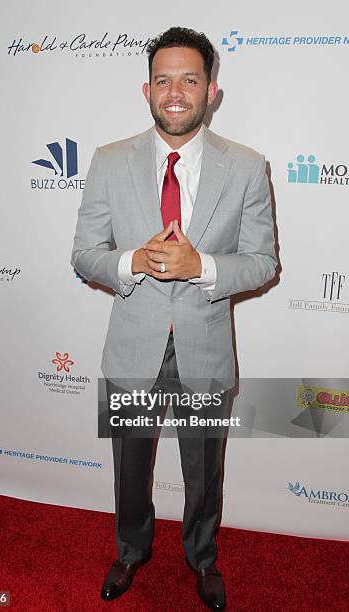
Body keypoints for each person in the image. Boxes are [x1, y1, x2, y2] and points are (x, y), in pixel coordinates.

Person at [70, 26, 276, 610]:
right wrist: (134, 259)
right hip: (132, 345)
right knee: (130, 468)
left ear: (212, 90)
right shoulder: (110, 161)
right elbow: (84, 254)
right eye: (164, 80)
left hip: (205, 348)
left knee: (203, 470)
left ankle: (202, 558)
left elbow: (263, 262)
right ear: (147, 90)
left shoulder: (246, 166)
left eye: (190, 78)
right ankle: (130, 551)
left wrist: (200, 266)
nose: (176, 91)